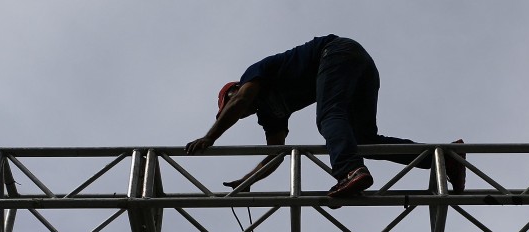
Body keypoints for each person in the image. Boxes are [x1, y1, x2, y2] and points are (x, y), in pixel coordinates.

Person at [185, 35, 466, 197]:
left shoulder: (253, 76)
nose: (242, 112)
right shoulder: (270, 115)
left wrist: (210, 137)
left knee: (330, 116)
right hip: (359, 66)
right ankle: (446, 160)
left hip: (336, 53)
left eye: (231, 106)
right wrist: (249, 181)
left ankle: (350, 171)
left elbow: (241, 101)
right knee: (364, 140)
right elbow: (276, 155)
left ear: (233, 91)